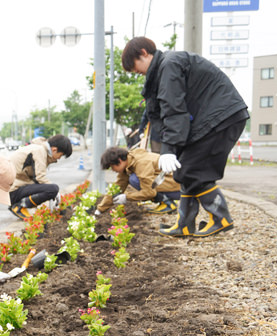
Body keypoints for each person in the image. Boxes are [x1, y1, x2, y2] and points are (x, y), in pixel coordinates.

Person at [121, 36, 248, 237]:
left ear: (144, 53)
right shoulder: (163, 69)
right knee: (184, 171)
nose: (136, 71)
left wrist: (169, 150)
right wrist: (171, 150)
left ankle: (221, 218)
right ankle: (185, 224)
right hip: (210, 120)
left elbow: (174, 110)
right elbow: (163, 112)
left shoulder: (169, 66)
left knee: (192, 170)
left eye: (134, 65)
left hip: (222, 117)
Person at [96, 146, 181, 214]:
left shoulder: (141, 163)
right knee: (133, 178)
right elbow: (118, 186)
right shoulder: (130, 162)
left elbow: (149, 192)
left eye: (112, 167)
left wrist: (127, 197)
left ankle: (168, 204)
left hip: (178, 188)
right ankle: (165, 202)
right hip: (170, 185)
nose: (113, 170)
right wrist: (100, 209)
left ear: (119, 160)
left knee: (134, 179)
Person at [6, 134, 73, 219]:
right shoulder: (40, 151)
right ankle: (19, 206)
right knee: (53, 189)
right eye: (61, 155)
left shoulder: (38, 147)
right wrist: (57, 194)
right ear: (54, 149)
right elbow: (40, 178)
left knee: (49, 188)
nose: (59, 158)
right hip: (12, 190)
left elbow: (36, 179)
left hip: (13, 188)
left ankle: (19, 204)